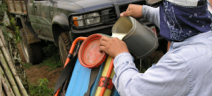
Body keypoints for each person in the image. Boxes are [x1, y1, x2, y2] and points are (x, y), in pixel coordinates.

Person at [99, 0, 212, 96]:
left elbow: (133, 89)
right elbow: (181, 19)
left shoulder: (182, 62)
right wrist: (146, 11)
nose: (163, 13)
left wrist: (121, 54)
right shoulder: (203, 21)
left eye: (164, 7)